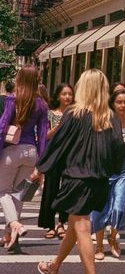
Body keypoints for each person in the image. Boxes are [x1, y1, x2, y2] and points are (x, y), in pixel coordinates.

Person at [36, 69, 125, 274]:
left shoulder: (74, 113)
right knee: (77, 224)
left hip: (77, 178)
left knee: (82, 226)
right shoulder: (110, 118)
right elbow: (119, 150)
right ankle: (54, 267)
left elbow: (57, 143)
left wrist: (41, 167)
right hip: (99, 180)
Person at [0, 66, 48, 250]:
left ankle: (14, 224)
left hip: (11, 150)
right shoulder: (42, 104)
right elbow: (43, 135)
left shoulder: (13, 99)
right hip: (31, 152)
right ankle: (11, 238)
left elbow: (3, 125)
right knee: (18, 195)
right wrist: (41, 163)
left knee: (3, 192)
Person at [91, 88, 125, 260]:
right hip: (105, 168)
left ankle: (112, 238)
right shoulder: (105, 121)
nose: (122, 105)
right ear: (112, 103)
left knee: (119, 205)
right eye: (119, 102)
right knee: (101, 207)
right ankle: (98, 246)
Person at [38, 83, 74, 239]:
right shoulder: (50, 114)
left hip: (71, 156)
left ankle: (62, 223)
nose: (67, 97)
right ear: (58, 96)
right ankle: (50, 225)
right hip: (53, 156)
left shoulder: (75, 114)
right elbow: (44, 136)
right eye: (64, 94)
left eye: (70, 94)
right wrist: (59, 127)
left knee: (67, 189)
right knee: (51, 190)